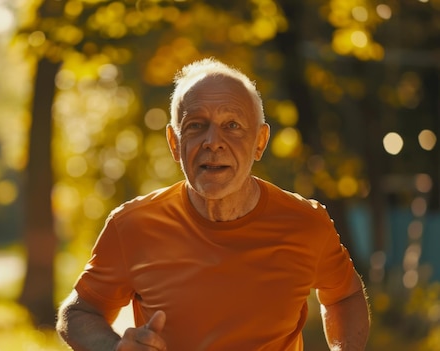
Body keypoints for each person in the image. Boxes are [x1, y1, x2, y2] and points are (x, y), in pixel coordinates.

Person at [56, 58, 370, 350]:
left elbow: (345, 296)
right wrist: (114, 348)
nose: (213, 142)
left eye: (232, 125)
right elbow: (80, 311)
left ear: (259, 142)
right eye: (195, 125)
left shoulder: (306, 223)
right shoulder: (133, 225)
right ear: (174, 143)